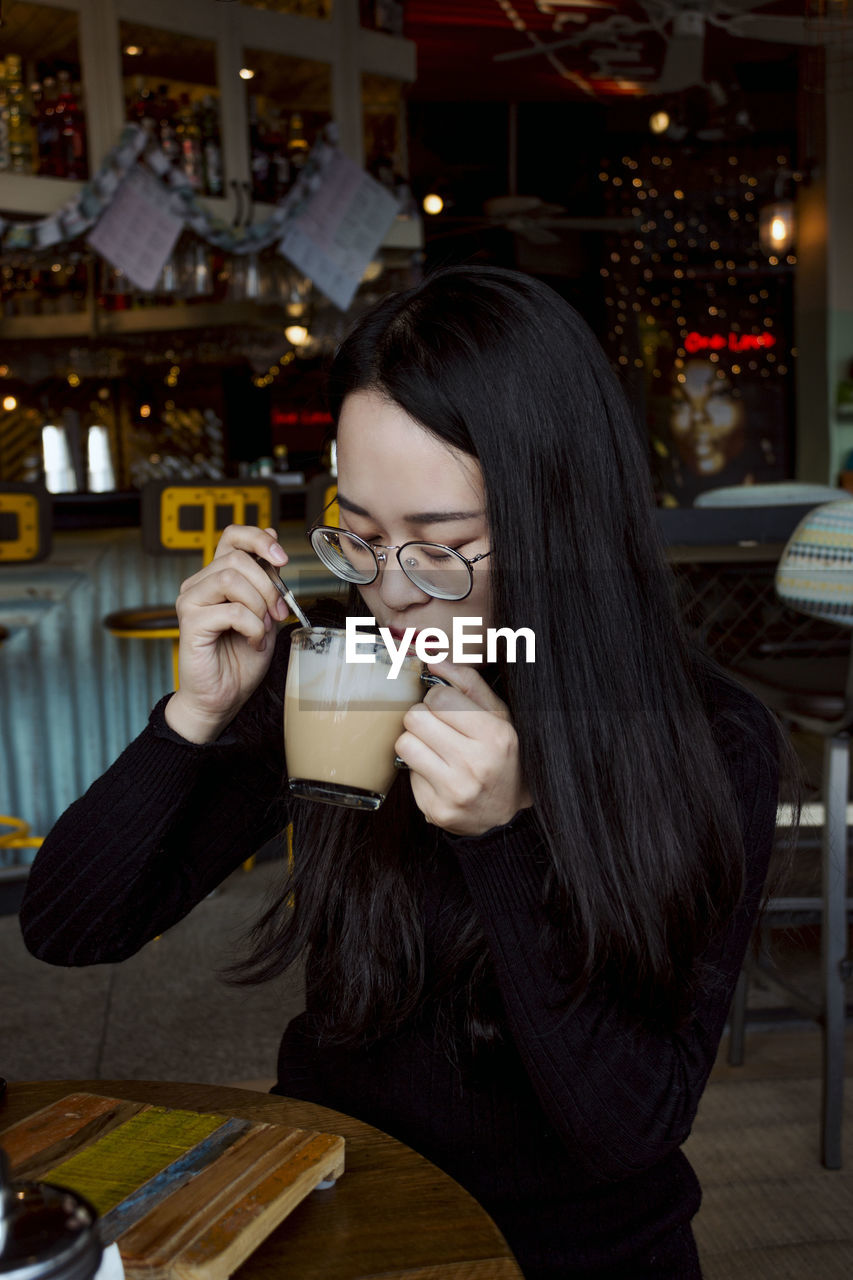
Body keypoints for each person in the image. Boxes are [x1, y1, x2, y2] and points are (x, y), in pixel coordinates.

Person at [21, 265, 784, 1279]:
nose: (389, 594)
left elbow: (629, 1123)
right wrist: (194, 717)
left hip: (576, 1249)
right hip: (346, 1211)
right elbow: (73, 926)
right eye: (362, 536)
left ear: (556, 520)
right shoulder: (338, 670)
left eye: (442, 545)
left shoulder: (707, 738)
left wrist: (503, 837)